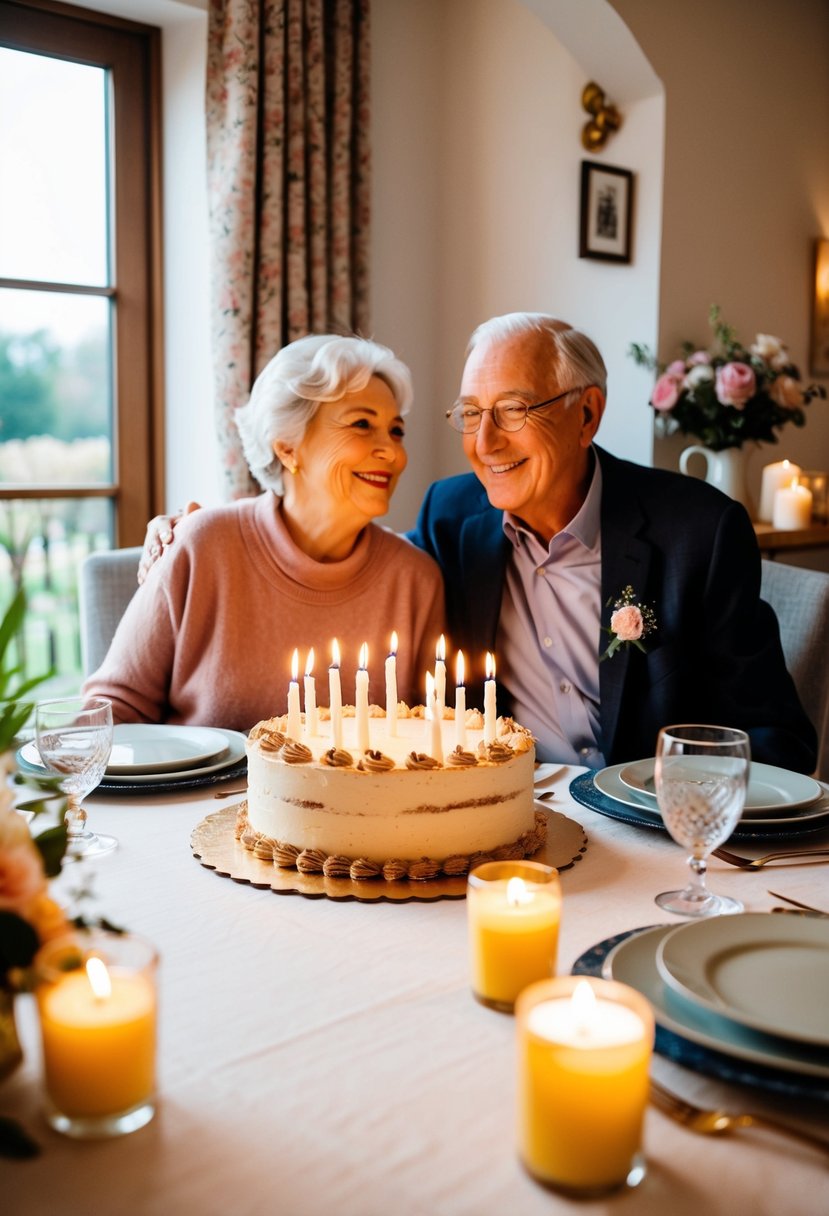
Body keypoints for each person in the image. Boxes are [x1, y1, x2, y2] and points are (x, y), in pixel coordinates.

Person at [138, 314, 817, 773]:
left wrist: (677, 799)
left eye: (513, 411)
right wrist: (195, 534)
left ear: (585, 414)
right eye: (470, 414)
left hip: (647, 832)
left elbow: (778, 741)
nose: (484, 444)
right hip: (499, 818)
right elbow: (349, 562)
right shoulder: (451, 516)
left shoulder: (696, 531)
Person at [83, 334, 446, 729]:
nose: (391, 452)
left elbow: (431, 734)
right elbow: (115, 708)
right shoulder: (202, 544)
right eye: (362, 424)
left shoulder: (415, 580)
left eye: (396, 431)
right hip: (197, 793)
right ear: (288, 448)